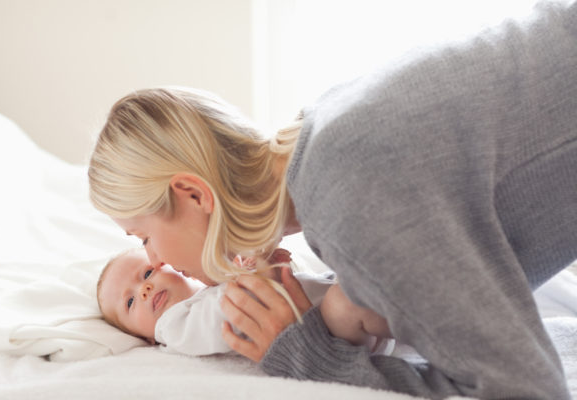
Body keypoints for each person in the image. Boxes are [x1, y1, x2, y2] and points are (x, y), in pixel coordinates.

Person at [88, 2, 576, 398]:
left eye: (145, 237)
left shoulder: (346, 189)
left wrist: (311, 356)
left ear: (193, 194)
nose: (154, 259)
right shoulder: (326, 129)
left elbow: (525, 387)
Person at [96, 248, 394, 356]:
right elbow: (230, 315)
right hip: (329, 330)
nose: (144, 289)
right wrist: (260, 270)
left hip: (322, 297)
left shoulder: (206, 288)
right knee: (352, 303)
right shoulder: (175, 329)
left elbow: (299, 280)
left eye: (146, 273)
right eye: (131, 302)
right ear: (145, 338)